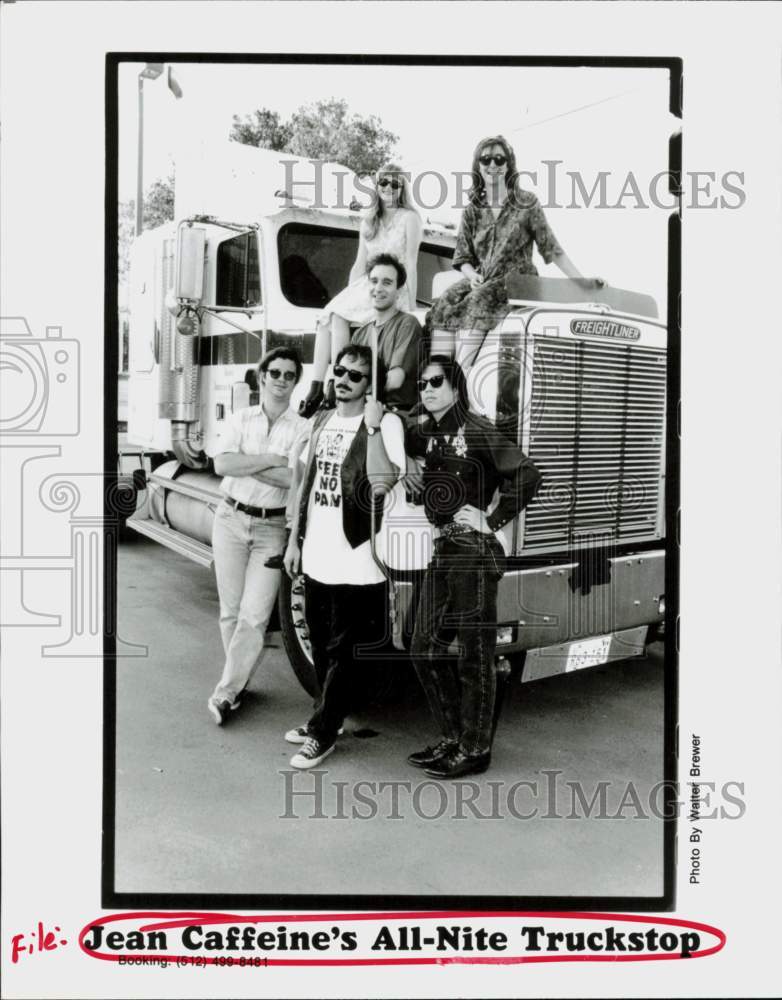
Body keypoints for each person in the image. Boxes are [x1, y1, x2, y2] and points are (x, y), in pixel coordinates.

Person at [406, 357, 542, 779]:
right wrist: (406, 457)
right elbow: (401, 432)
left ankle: (475, 749)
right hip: (444, 546)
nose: (426, 389)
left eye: (436, 382)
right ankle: (454, 738)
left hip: (473, 550)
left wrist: (492, 517)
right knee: (423, 645)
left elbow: (527, 474)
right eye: (421, 383)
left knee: (474, 653)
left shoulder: (478, 429)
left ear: (456, 387)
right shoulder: (428, 429)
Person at [283, 343, 406, 768]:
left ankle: (322, 733)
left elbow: (381, 482)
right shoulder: (322, 421)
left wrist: (372, 429)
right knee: (319, 642)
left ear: (371, 386)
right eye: (339, 371)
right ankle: (327, 717)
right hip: (316, 551)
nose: (343, 379)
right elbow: (305, 484)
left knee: (342, 650)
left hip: (357, 556)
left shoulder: (386, 423)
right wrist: (294, 540)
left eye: (356, 375)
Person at [428, 135, 600, 370]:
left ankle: (461, 375)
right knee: (443, 302)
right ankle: (439, 373)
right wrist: (472, 276)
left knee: (480, 300)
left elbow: (552, 248)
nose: (492, 165)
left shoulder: (527, 202)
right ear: (477, 165)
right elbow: (463, 257)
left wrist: (581, 281)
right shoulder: (472, 210)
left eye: (499, 159)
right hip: (483, 279)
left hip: (517, 280)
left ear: (509, 165)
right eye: (486, 159)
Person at [207, 347, 309, 725]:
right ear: (261, 376)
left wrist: (249, 463)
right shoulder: (240, 418)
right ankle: (237, 683)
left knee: (254, 614)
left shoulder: (303, 428)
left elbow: (294, 480)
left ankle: (226, 692)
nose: (281, 380)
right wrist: (272, 460)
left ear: (295, 381)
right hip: (230, 519)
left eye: (289, 375)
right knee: (230, 612)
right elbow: (221, 464)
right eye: (275, 372)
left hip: (272, 528)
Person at [299, 164, 422, 417]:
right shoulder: (369, 219)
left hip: (393, 285)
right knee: (330, 315)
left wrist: (410, 304)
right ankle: (318, 385)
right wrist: (347, 295)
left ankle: (334, 383)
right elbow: (359, 263)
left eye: (395, 184)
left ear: (402, 188)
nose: (388, 188)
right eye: (383, 183)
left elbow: (411, 262)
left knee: (336, 315)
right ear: (376, 187)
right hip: (369, 283)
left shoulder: (410, 218)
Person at [350, 253, 423, 413]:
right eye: (374, 281)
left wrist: (356, 390)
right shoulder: (359, 334)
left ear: (399, 290)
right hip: (361, 409)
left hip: (396, 412)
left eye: (387, 282)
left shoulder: (407, 324)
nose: (378, 288)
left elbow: (395, 380)